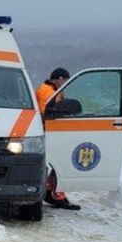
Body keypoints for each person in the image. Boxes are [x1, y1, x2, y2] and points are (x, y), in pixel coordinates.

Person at [36, 67, 81, 211]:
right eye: (65, 80)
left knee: (54, 164)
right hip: (46, 131)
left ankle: (51, 192)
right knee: (56, 164)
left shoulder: (54, 90)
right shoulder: (46, 91)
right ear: (59, 78)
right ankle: (56, 195)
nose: (66, 82)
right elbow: (47, 113)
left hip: (53, 131)